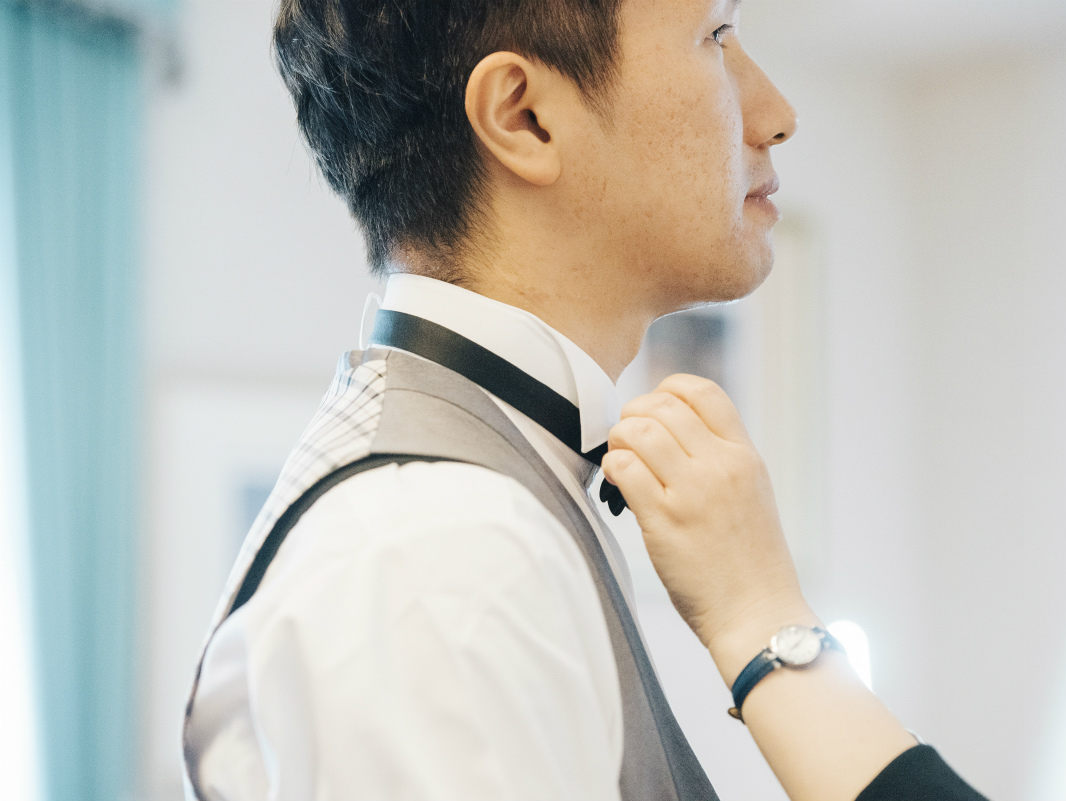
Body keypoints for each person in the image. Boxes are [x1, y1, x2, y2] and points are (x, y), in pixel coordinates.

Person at [181, 1, 989, 799]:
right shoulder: (438, 557)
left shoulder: (474, 514)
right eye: (716, 36)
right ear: (525, 117)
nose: (779, 115)